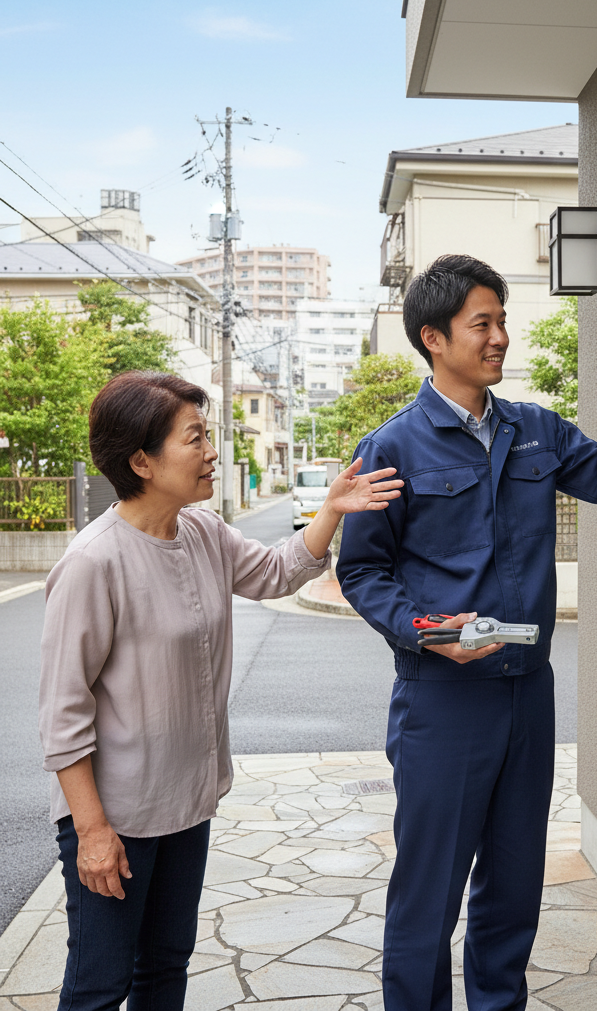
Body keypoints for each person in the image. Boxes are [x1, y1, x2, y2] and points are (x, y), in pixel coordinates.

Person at [336, 254, 597, 1011]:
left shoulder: (534, 429)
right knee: (428, 893)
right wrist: (425, 631)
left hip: (526, 694)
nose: (500, 337)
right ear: (433, 338)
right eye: (481, 323)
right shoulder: (393, 448)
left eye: (502, 321)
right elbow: (363, 572)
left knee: (513, 886)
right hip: (442, 699)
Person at [38, 371, 402, 1011]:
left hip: (186, 801)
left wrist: (331, 510)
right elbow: (63, 715)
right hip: (117, 815)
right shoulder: (94, 562)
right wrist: (92, 832)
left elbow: (276, 572)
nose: (213, 453)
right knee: (99, 983)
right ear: (142, 461)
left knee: (165, 968)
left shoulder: (202, 532)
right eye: (195, 438)